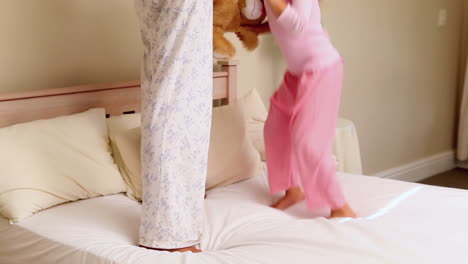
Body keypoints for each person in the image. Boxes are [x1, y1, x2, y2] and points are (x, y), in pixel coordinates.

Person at [249, 0, 356, 218]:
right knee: (275, 129)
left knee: (309, 142)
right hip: (298, 72)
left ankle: (341, 207)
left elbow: (297, 25)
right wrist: (256, 29)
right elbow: (280, 22)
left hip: (322, 69)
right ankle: (293, 190)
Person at [134, 0, 212, 252]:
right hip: (175, 86)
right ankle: (168, 236)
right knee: (173, 137)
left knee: (187, 141)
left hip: (183, 82)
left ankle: (178, 224)